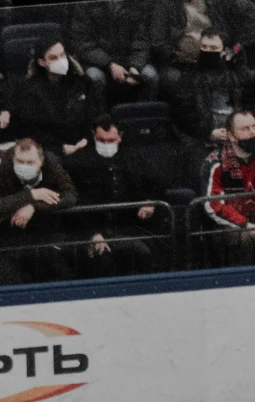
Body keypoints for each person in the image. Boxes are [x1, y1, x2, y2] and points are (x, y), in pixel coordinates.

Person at [70, 113, 167, 274]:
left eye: (111, 141)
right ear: (94, 136)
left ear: (120, 137)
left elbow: (159, 182)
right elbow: (77, 201)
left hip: (128, 227)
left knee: (143, 253)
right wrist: (92, 234)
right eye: (101, 141)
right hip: (91, 230)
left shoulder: (134, 158)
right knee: (102, 259)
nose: (106, 144)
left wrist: (150, 201)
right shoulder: (79, 162)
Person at [0, 134, 77, 283]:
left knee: (62, 276)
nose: (24, 166)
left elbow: (70, 195)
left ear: (41, 161)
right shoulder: (3, 170)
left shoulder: (53, 167)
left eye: (30, 162)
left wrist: (34, 206)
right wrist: (31, 195)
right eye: (20, 161)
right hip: (8, 239)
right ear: (13, 159)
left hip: (44, 236)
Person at [170, 28, 252, 162]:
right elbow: (182, 114)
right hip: (201, 139)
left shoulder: (234, 74)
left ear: (224, 51)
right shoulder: (189, 75)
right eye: (204, 47)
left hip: (236, 136)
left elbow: (248, 100)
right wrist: (209, 133)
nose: (207, 51)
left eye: (213, 48)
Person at [13, 38, 96, 161]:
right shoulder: (30, 90)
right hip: (52, 148)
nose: (61, 61)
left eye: (62, 55)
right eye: (53, 58)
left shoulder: (82, 82)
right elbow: (33, 130)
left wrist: (86, 139)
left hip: (82, 142)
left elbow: (95, 113)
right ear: (42, 62)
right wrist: (60, 147)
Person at [200, 105, 255, 257]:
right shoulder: (216, 162)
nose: (252, 133)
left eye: (254, 127)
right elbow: (213, 204)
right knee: (245, 238)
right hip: (225, 226)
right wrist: (245, 224)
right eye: (244, 129)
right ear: (230, 135)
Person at [72, 3, 163, 108]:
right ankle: (102, 121)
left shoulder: (136, 4)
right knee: (95, 78)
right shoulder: (86, 5)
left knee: (150, 76)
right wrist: (110, 64)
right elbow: (82, 44)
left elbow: (141, 40)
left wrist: (135, 66)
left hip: (129, 59)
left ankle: (145, 120)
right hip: (97, 62)